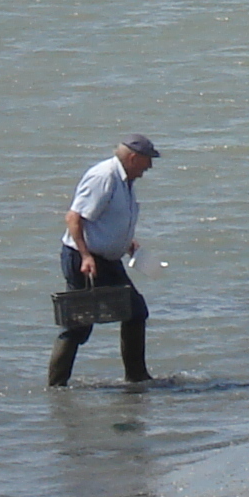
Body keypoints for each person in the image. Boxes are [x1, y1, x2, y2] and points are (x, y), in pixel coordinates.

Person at [49, 133, 158, 385]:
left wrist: (125, 242)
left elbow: (106, 218)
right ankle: (56, 386)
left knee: (135, 312)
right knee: (78, 326)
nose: (149, 167)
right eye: (147, 161)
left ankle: (137, 377)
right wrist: (86, 256)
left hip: (107, 259)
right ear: (133, 158)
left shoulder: (125, 180)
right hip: (85, 259)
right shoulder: (104, 177)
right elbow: (73, 218)